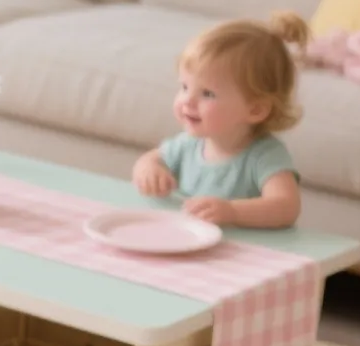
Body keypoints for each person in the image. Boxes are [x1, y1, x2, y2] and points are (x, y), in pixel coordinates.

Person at [131, 12, 309, 228]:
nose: (187, 101)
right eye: (185, 87)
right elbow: (150, 160)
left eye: (207, 94)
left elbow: (286, 207)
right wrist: (149, 171)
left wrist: (232, 211)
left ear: (255, 110)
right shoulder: (189, 144)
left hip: (244, 254)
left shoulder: (264, 155)